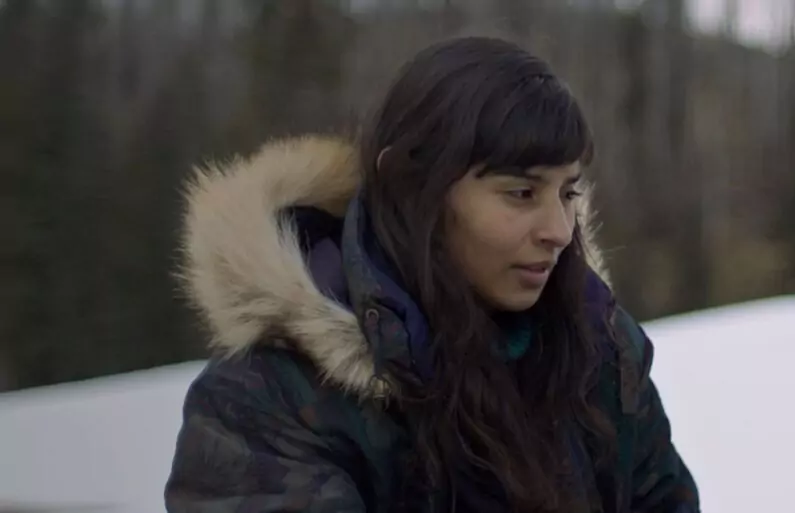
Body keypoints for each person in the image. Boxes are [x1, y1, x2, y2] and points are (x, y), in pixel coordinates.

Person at [164, 36, 698, 512]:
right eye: (521, 193)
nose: (559, 230)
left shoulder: (599, 350)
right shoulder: (266, 402)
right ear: (409, 187)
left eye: (568, 192)